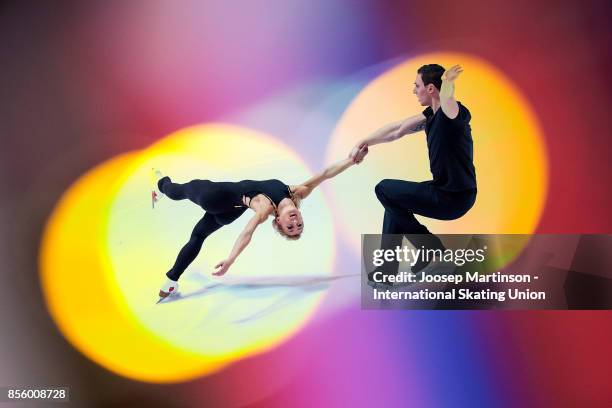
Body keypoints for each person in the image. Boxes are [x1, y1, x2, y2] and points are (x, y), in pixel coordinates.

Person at [152, 149, 368, 302]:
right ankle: (171, 281)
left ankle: (161, 185)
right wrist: (351, 160)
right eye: (299, 224)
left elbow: (248, 231)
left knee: (176, 191)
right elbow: (325, 174)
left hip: (213, 196)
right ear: (300, 215)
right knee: (198, 236)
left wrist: (231, 258)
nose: (294, 222)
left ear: (278, 221)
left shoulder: (264, 208)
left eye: (290, 227)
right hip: (230, 212)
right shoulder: (297, 192)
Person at [349, 64, 477, 285]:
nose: (413, 90)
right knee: (394, 203)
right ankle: (387, 272)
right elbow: (397, 129)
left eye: (416, 86)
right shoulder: (430, 116)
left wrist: (448, 82)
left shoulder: (452, 114)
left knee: (384, 188)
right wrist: (364, 142)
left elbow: (447, 98)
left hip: (455, 197)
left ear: (430, 89)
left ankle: (429, 246)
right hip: (442, 190)